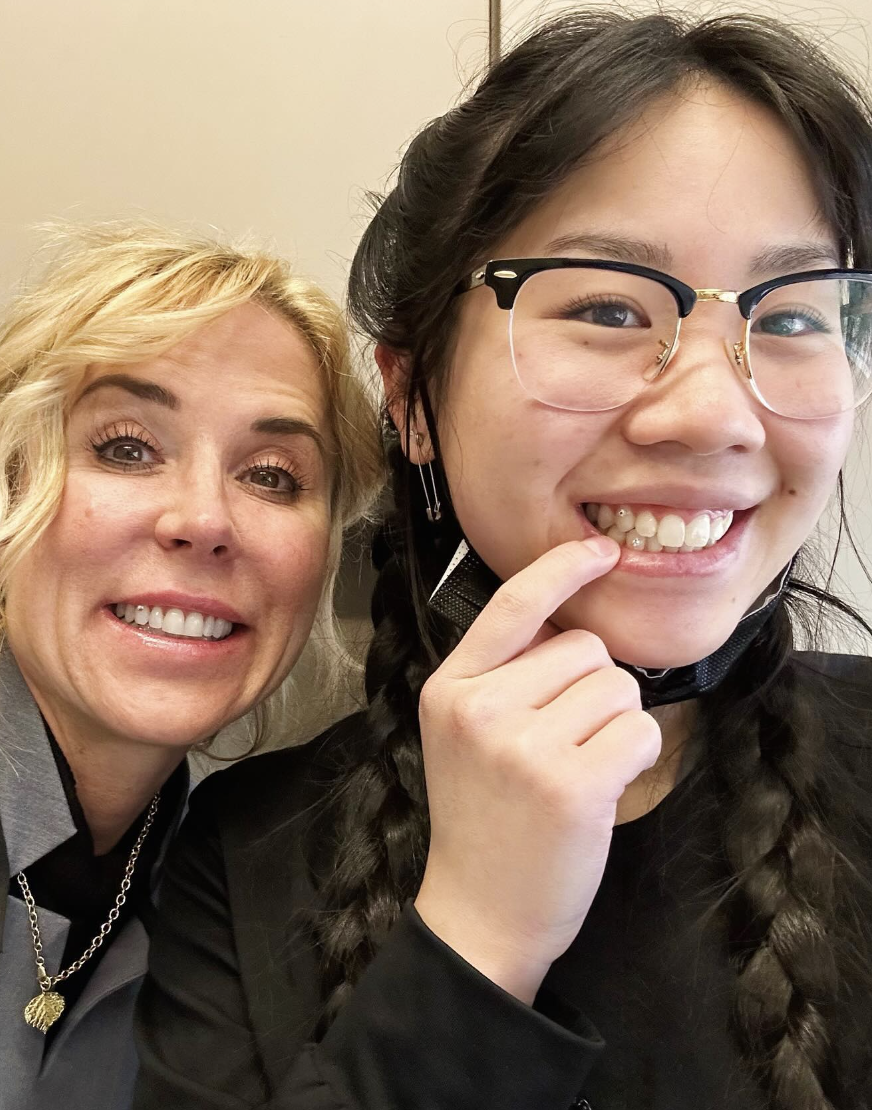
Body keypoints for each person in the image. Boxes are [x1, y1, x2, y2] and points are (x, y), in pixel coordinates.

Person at [134, 11, 872, 1110]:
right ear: (411, 398)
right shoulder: (236, 858)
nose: (714, 415)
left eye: (796, 318)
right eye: (610, 307)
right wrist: (475, 941)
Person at [0, 223, 381, 1110]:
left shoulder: (245, 896)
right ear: (13, 480)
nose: (205, 517)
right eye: (127, 447)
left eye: (274, 475)